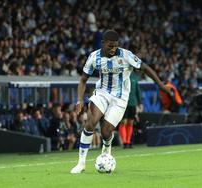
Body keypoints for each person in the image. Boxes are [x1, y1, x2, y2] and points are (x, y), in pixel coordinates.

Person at [70, 30, 171, 174]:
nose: (113, 49)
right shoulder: (94, 57)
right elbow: (83, 80)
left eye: (115, 46)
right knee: (90, 123)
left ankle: (106, 150)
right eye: (110, 46)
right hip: (102, 93)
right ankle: (81, 163)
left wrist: (161, 85)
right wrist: (79, 100)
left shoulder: (126, 55)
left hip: (120, 98)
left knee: (106, 131)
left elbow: (146, 68)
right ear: (103, 43)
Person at [119, 71, 142, 148]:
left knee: (131, 122)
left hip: (133, 103)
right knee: (124, 122)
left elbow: (137, 90)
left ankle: (128, 141)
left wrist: (140, 103)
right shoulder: (121, 74)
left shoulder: (134, 77)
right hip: (123, 103)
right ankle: (124, 142)